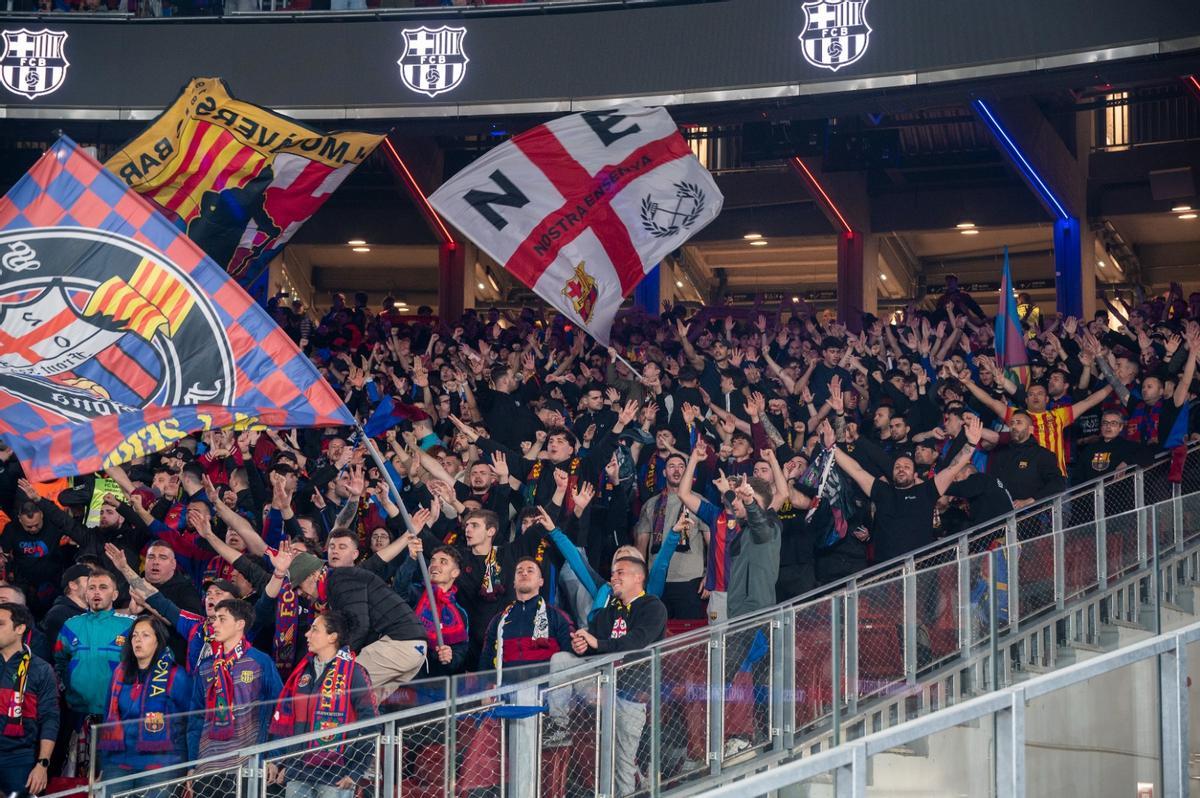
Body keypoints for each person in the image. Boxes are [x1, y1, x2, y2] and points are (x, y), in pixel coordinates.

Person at [545, 557, 667, 795]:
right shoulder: (608, 611)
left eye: (620, 573)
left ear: (638, 577)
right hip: (599, 685)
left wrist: (596, 642)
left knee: (622, 763)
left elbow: (636, 643)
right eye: (612, 573)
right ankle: (558, 726)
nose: (613, 578)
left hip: (630, 694)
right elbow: (594, 645)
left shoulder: (653, 606)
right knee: (561, 659)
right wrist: (582, 646)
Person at [830, 416, 981, 563]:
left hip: (920, 567)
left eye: (907, 467)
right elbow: (856, 470)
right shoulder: (882, 491)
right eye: (897, 467)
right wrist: (832, 448)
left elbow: (952, 468)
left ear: (915, 475)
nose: (901, 470)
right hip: (885, 569)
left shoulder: (926, 491)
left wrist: (972, 444)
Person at [284, 551, 429, 696]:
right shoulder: (339, 580)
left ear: (313, 575)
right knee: (364, 706)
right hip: (412, 647)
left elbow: (359, 626)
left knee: (333, 689)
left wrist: (334, 661)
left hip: (398, 643)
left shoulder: (340, 580)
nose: (298, 593)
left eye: (299, 585)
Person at [267, 611, 378, 798]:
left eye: (314, 630)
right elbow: (287, 719)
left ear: (332, 637)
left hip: (336, 775)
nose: (307, 634)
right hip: (298, 771)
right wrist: (276, 759)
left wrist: (356, 771)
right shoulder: (302, 672)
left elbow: (371, 723)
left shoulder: (355, 672)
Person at [186, 599, 283, 790]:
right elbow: (196, 718)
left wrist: (274, 756)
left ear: (240, 624)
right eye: (214, 619)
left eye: (222, 619)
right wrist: (192, 764)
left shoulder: (260, 662)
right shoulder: (206, 667)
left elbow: (281, 710)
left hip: (247, 764)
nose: (214, 624)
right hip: (207, 764)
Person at [97, 617, 192, 787]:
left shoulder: (176, 675)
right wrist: (103, 765)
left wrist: (190, 766)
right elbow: (107, 719)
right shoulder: (119, 673)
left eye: (145, 635)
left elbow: (189, 722)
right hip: (119, 760)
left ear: (158, 640)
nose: (138, 640)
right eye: (134, 636)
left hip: (161, 762)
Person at [478, 556, 574, 672]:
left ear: (541, 581)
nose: (524, 573)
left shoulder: (558, 617)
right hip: (506, 687)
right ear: (514, 583)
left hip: (547, 688)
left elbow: (569, 657)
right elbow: (485, 660)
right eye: (519, 571)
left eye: (530, 571)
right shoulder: (498, 620)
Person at [0, 602, 58, 798]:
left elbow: (50, 718)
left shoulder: (41, 670)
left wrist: (42, 764)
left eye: (0, 624)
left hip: (19, 757)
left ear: (20, 628)